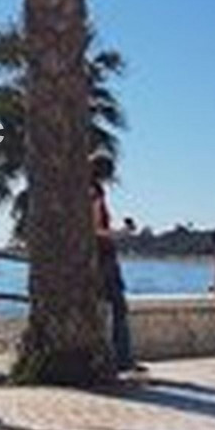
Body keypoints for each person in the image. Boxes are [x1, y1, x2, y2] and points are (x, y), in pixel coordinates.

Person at [91, 154, 146, 376]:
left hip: (95, 256)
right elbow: (95, 229)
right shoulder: (94, 191)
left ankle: (110, 357)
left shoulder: (83, 189)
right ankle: (122, 359)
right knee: (118, 307)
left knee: (103, 306)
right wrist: (122, 233)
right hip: (103, 255)